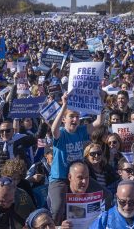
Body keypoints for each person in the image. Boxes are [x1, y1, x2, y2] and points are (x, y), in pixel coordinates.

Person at [48, 92, 102, 225]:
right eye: (71, 116)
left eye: (77, 117)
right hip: (60, 179)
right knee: (57, 208)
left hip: (79, 177)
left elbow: (98, 122)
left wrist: (100, 101)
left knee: (105, 194)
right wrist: (64, 105)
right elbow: (54, 129)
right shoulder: (61, 133)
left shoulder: (81, 131)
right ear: (64, 119)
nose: (75, 120)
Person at [51, 161, 113, 227]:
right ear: (70, 177)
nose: (84, 181)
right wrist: (59, 227)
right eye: (80, 178)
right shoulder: (59, 196)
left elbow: (108, 196)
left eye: (87, 177)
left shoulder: (94, 193)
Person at [0, 120, 36, 193]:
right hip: (2, 184)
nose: (4, 133)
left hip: (19, 181)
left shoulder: (20, 140)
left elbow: (38, 136)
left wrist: (45, 123)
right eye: (2, 131)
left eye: (8, 131)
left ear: (13, 131)